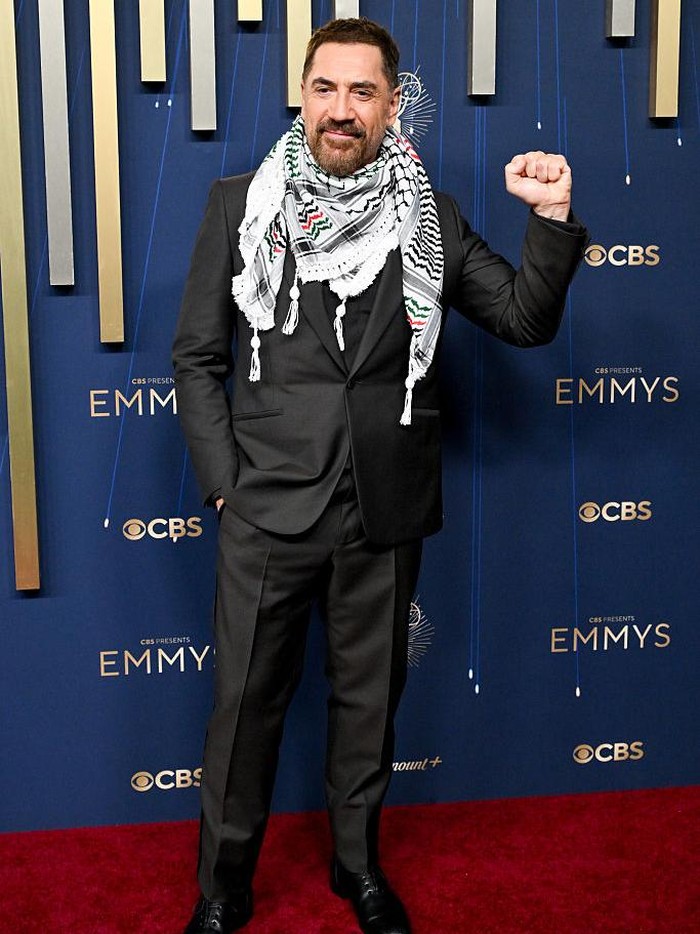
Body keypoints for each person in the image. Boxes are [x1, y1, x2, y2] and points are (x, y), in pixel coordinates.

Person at [173, 17, 587, 934]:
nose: (342, 110)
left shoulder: (426, 217)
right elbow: (198, 357)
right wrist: (224, 486)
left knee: (369, 710)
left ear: (393, 105)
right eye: (327, 88)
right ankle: (222, 888)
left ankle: (356, 870)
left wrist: (550, 221)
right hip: (267, 506)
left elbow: (523, 319)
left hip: (384, 505)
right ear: (304, 94)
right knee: (243, 710)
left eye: (364, 92)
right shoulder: (241, 203)